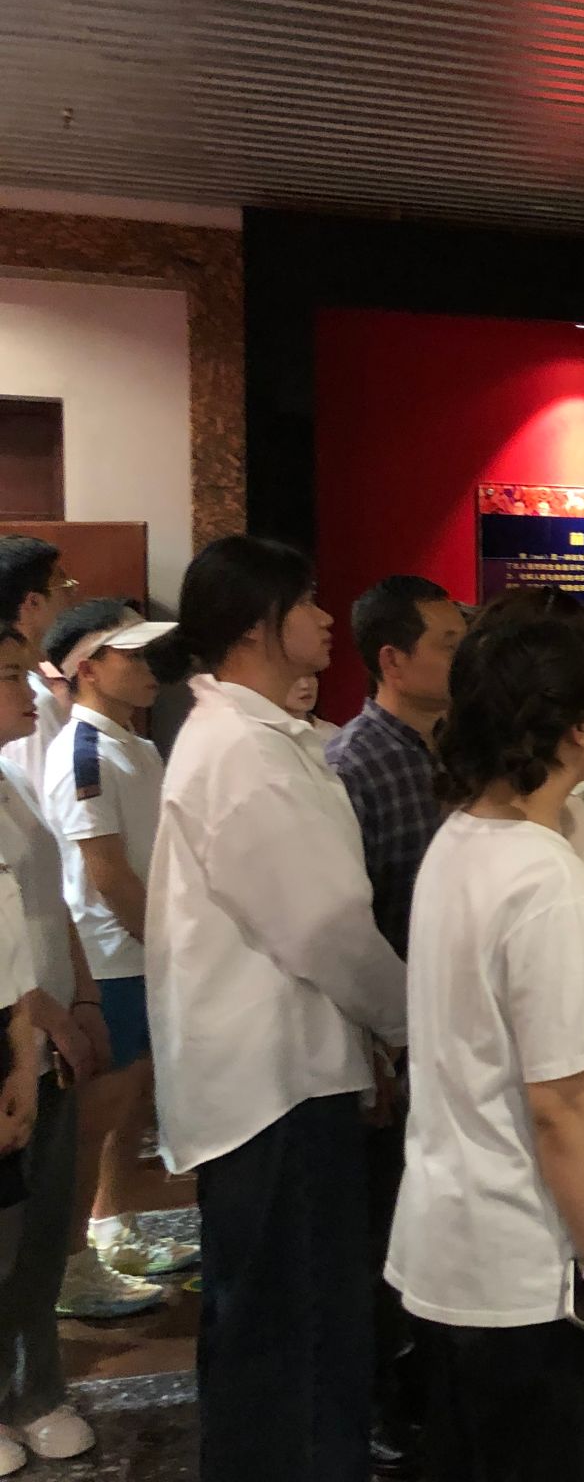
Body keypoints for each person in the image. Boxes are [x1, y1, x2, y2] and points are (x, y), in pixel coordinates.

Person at [147, 535, 409, 1482]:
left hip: (290, 1072)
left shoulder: (256, 738)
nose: (326, 620)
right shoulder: (241, 753)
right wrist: (410, 1024)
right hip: (273, 1088)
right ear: (257, 625)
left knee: (283, 1323)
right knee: (293, 1332)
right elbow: (324, 927)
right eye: (306, 603)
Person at [387, 614, 584, 1482]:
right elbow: (562, 1108)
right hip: (534, 1275)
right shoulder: (546, 885)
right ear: (576, 727)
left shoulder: (462, 838)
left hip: (455, 1243)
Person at [326, 573, 466, 1480]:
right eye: (448, 643)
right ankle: (383, 1399)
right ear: (393, 658)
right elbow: (353, 922)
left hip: (457, 1034)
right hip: (396, 1036)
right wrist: (380, 1042)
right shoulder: (354, 763)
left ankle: (435, 1380)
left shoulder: (458, 749)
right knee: (386, 1229)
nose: (464, 656)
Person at [39, 603, 199, 1321]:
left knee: (133, 1097)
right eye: (128, 655)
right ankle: (71, 1262)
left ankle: (112, 1226)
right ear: (87, 668)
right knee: (101, 1109)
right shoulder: (85, 752)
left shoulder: (134, 743)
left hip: (141, 951)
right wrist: (164, 945)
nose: (147, 668)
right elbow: (105, 871)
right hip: (112, 957)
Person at [0, 624, 110, 1470]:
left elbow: (54, 902)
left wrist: (82, 996)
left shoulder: (15, 782)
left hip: (47, 1044)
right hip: (11, 1045)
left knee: (40, 1239)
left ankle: (38, 1390)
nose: (30, 692)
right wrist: (38, 1017)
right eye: (11, 676)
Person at [0, 537, 78, 793]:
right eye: (65, 585)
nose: (73, 595)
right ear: (33, 602)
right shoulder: (32, 700)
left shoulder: (46, 672)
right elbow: (47, 797)